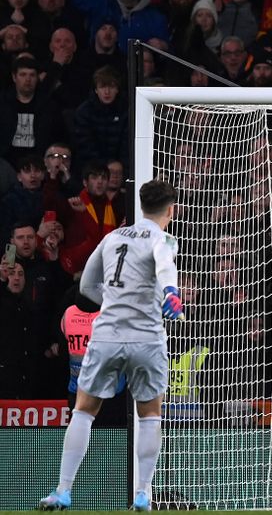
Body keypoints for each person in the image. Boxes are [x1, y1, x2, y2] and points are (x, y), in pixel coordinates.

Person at [39, 179, 183, 511]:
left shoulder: (112, 237)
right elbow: (164, 265)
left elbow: (87, 287)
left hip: (106, 336)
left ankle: (62, 490)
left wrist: (116, 300)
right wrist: (171, 293)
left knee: (84, 410)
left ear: (140, 205)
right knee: (149, 415)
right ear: (171, 210)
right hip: (146, 338)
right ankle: (143, 493)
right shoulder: (162, 239)